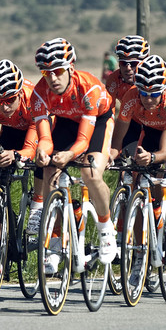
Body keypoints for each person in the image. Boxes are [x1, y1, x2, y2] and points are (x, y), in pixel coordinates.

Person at [31, 38, 117, 272]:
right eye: (46, 73)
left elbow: (84, 141)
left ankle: (105, 227)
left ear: (71, 67)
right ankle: (56, 237)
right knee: (49, 169)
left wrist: (68, 154)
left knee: (90, 173)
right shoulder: (38, 93)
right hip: (68, 122)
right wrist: (42, 150)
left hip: (98, 121)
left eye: (58, 71)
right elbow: (46, 138)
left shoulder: (87, 88)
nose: (52, 78)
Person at [110, 54, 166, 235]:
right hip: (151, 128)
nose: (148, 99)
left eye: (154, 94)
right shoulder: (131, 96)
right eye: (144, 93)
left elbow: (164, 151)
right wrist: (110, 155)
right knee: (137, 174)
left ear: (163, 90)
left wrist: (150, 157)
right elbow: (117, 141)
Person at [0, 59, 45, 277]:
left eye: (10, 100)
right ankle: (1, 250)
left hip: (36, 129)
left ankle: (37, 206)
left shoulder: (34, 99)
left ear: (19, 93)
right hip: (11, 130)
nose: (4, 106)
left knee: (44, 159)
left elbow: (31, 148)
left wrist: (17, 155)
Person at [106, 34, 150, 155]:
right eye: (123, 63)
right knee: (127, 159)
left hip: (157, 123)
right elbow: (108, 112)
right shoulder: (114, 80)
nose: (128, 68)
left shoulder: (153, 78)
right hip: (132, 121)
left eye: (134, 63)